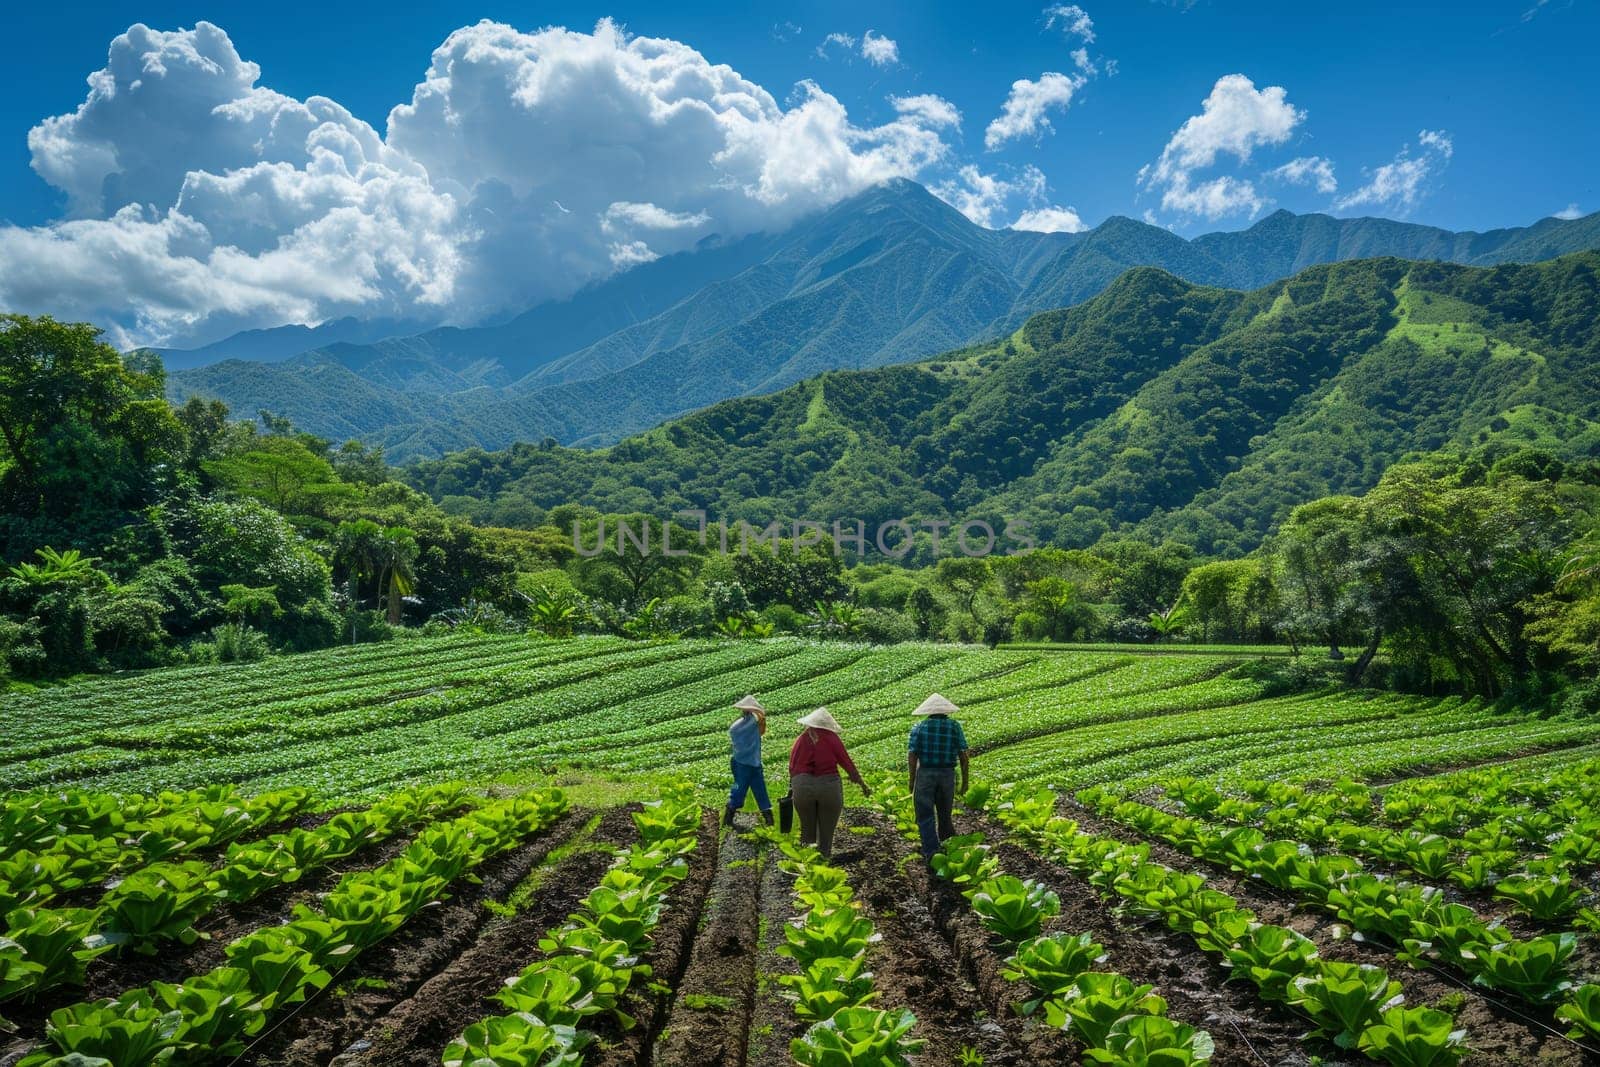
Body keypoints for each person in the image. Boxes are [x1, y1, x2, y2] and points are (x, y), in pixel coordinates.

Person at [788, 707, 871, 858]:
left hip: (802, 786)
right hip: (829, 786)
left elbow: (792, 767)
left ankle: (807, 865)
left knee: (807, 831)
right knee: (826, 832)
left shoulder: (800, 740)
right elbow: (847, 763)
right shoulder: (832, 738)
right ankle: (824, 858)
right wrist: (861, 783)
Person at [908, 693, 970, 863]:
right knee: (945, 814)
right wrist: (965, 781)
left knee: (925, 815)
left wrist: (912, 780)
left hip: (926, 774)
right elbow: (964, 755)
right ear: (945, 712)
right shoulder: (954, 727)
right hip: (947, 774)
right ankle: (949, 849)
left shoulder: (919, 727)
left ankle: (931, 853)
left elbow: (912, 755)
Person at [726, 695, 773, 828]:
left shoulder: (737, 725)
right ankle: (768, 819)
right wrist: (761, 716)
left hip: (743, 762)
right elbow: (761, 730)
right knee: (755, 789)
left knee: (739, 787)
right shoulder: (752, 722)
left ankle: (729, 814)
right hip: (748, 763)